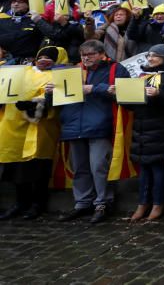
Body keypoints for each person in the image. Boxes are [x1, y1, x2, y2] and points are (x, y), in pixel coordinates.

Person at [51, 40, 130, 224]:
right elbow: (58, 99)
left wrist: (95, 88)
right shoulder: (72, 71)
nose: (86, 58)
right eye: (83, 55)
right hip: (73, 125)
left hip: (99, 125)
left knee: (98, 167)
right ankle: (82, 203)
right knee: (80, 169)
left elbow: (126, 91)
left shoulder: (115, 68)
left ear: (102, 54)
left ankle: (103, 203)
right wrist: (50, 92)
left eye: (90, 54)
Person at [0, 46, 64, 220]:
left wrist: (34, 105)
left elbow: (57, 98)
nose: (44, 60)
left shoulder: (58, 75)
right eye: (41, 56)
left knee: (38, 170)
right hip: (14, 126)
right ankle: (20, 203)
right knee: (16, 169)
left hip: (39, 128)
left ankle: (37, 204)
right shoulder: (22, 71)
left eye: (49, 58)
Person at [124, 43, 164, 222]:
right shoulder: (141, 76)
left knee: (157, 167)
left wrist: (159, 94)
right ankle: (142, 203)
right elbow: (131, 105)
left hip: (161, 128)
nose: (150, 58)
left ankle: (157, 203)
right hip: (141, 128)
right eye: (149, 55)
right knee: (144, 168)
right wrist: (121, 97)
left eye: (154, 55)